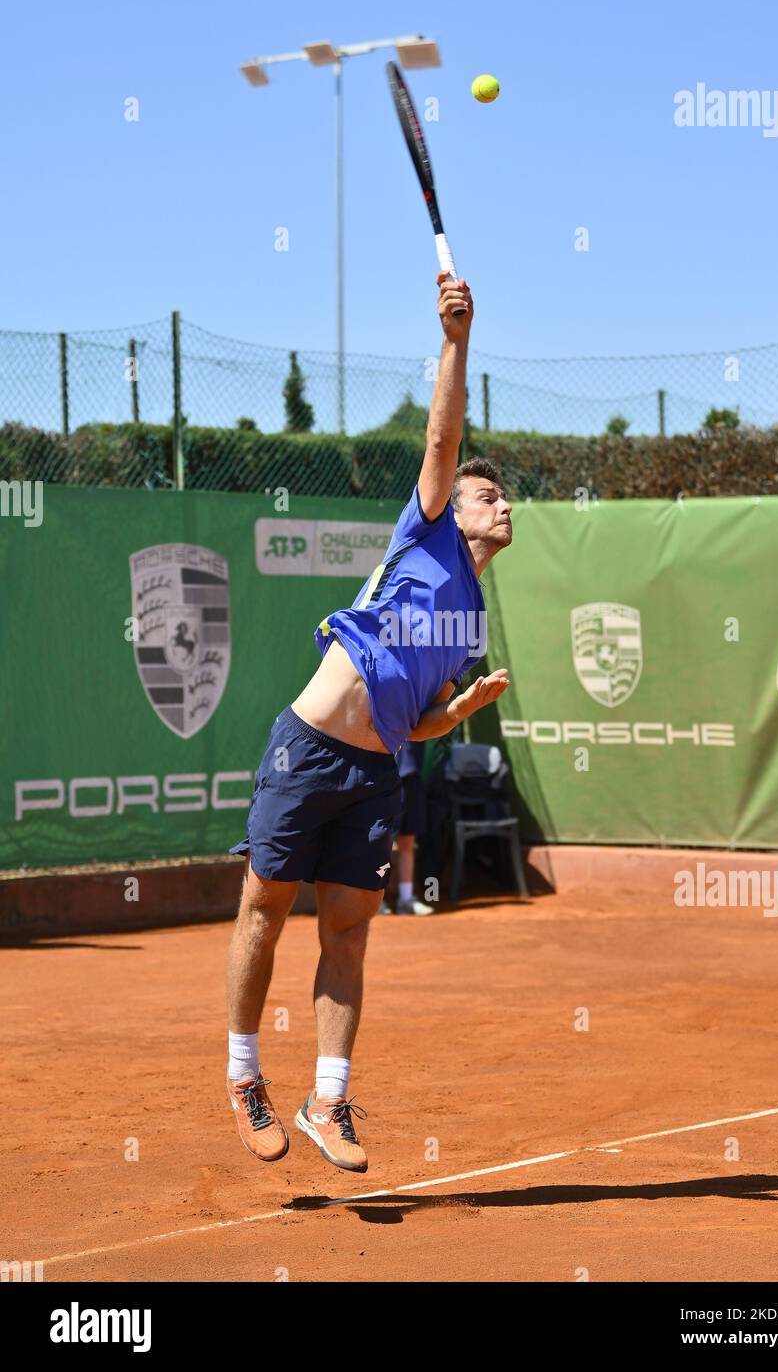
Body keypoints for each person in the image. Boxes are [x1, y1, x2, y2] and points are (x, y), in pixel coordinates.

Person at [224, 269, 514, 1173]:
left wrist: (453, 712)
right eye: (489, 497)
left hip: (374, 773)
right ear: (451, 509)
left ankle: (330, 1098)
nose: (503, 506)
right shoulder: (424, 531)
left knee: (347, 932)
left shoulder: (469, 627)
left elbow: (415, 723)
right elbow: (442, 431)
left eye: (506, 500)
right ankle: (242, 1077)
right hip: (308, 748)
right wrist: (457, 338)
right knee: (265, 909)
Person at [378, 739, 433, 916]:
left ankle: (406, 899)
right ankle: (376, 899)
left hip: (412, 781)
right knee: (381, 844)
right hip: (385, 781)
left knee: (407, 842)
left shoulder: (419, 712)